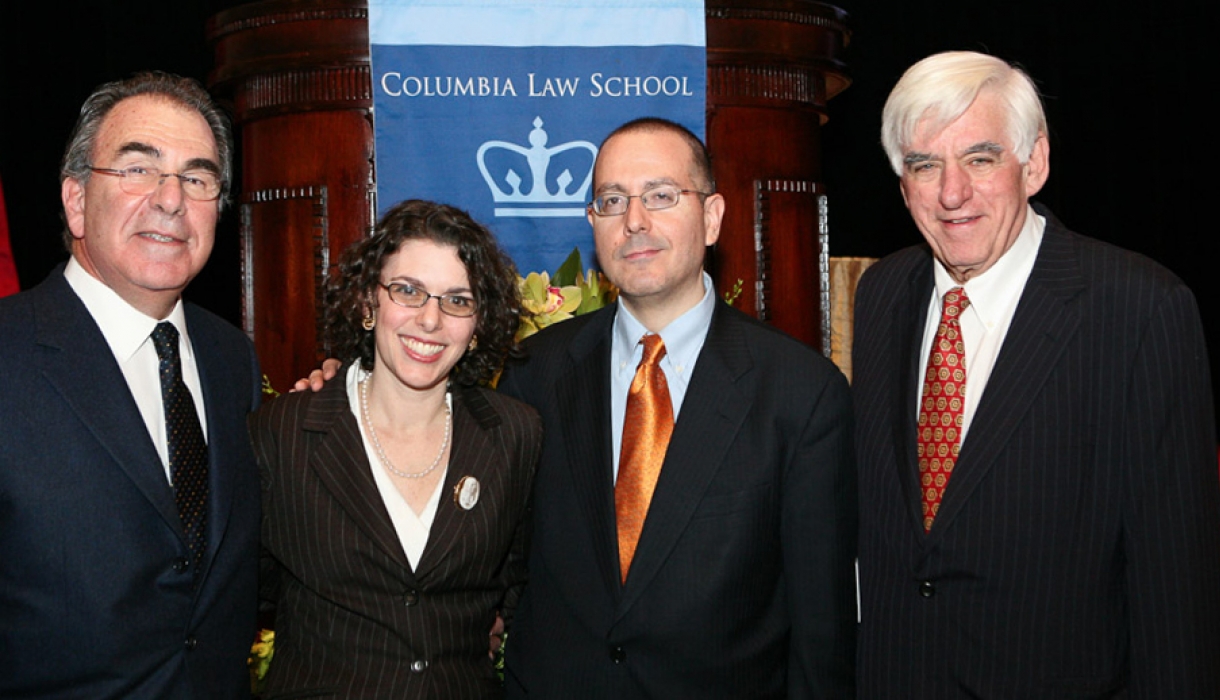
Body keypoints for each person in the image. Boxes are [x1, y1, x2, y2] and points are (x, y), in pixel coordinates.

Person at [852, 50, 1220, 698]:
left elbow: (1174, 591)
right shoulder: (881, 294)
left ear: (1035, 164)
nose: (951, 192)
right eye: (924, 164)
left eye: (980, 158)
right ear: (901, 181)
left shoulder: (1138, 310)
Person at [497, 118, 856, 697]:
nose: (634, 220)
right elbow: (506, 568)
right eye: (612, 201)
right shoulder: (532, 374)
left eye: (662, 196)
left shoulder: (800, 392)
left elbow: (822, 626)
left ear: (712, 217)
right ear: (594, 224)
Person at [0, 72, 262, 698]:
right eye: (138, 169)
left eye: (197, 178)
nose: (171, 199)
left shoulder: (233, 359)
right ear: (75, 200)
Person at [251, 199, 542, 698]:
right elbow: (247, 595)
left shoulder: (513, 433)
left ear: (476, 326)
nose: (430, 320)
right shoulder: (283, 433)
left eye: (457, 300)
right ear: (368, 302)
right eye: (408, 291)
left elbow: (520, 585)